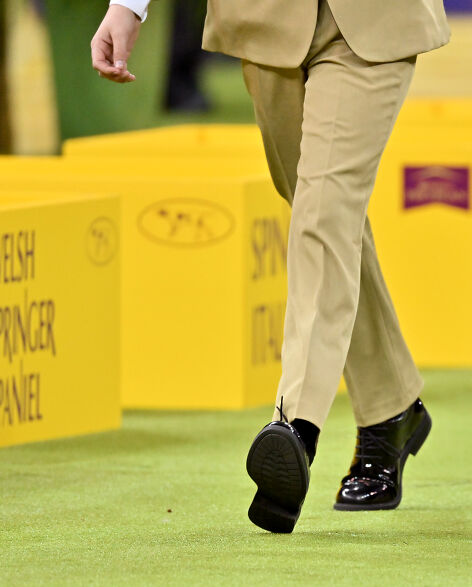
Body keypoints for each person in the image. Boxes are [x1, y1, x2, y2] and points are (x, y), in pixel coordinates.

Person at [91, 0, 449, 533]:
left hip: (375, 21)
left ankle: (296, 428)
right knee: (320, 210)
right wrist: (129, 6)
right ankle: (390, 406)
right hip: (265, 21)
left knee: (324, 211)